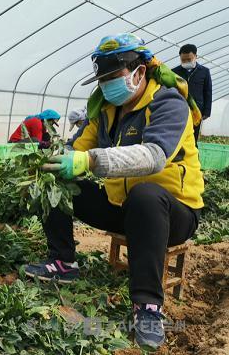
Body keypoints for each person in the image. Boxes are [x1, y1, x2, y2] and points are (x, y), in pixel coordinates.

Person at [24, 33, 204, 351]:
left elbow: (154, 155)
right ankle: (63, 262)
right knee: (54, 180)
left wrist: (90, 160)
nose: (107, 85)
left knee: (146, 195)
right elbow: (77, 145)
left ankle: (147, 307)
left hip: (172, 212)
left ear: (139, 71)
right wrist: (54, 160)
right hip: (122, 206)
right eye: (103, 79)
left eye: (113, 77)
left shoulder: (167, 101)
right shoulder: (106, 110)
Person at [172, 44, 212, 144]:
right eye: (183, 60)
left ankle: (193, 157)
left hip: (196, 111)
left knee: (193, 139)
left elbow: (208, 92)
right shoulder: (174, 72)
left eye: (189, 59)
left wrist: (206, 111)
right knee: (178, 136)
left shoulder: (204, 72)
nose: (186, 62)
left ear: (195, 56)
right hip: (179, 109)